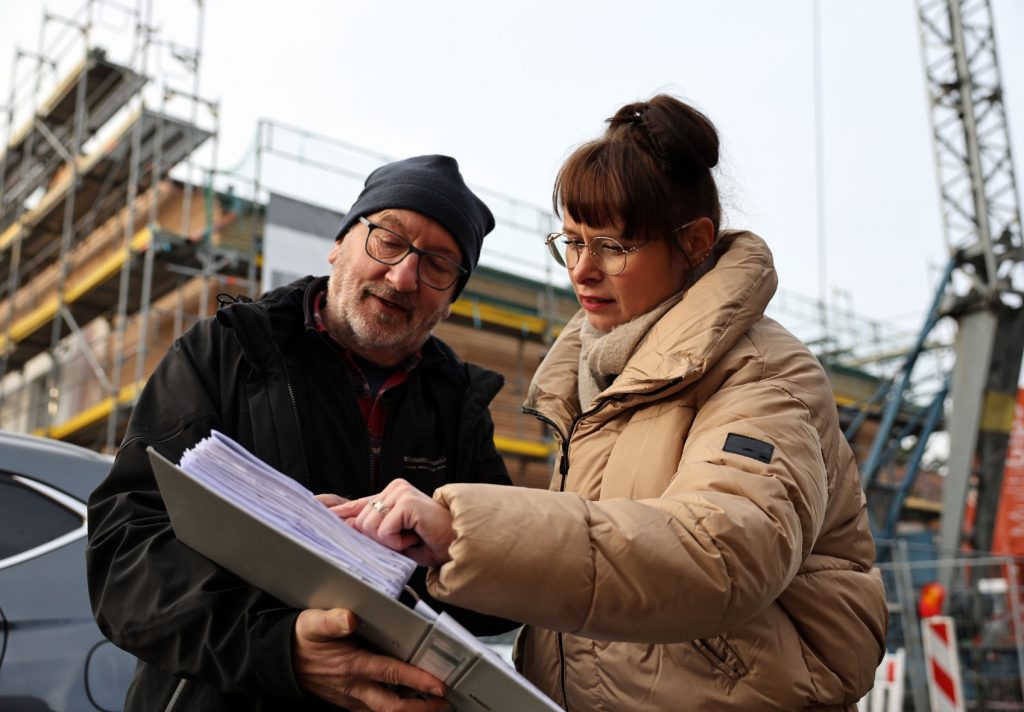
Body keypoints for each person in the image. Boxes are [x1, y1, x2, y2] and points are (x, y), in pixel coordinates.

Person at [334, 96, 889, 711]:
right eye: (570, 241)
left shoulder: (761, 374)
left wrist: (462, 531)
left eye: (613, 246)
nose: (582, 270)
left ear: (697, 242)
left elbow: (721, 552)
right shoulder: (601, 374)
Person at [86, 155, 516, 712]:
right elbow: (126, 559)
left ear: (451, 299)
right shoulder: (226, 354)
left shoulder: (460, 408)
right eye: (388, 240)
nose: (404, 275)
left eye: (438, 265)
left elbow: (505, 601)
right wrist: (280, 649)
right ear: (340, 243)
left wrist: (443, 554)